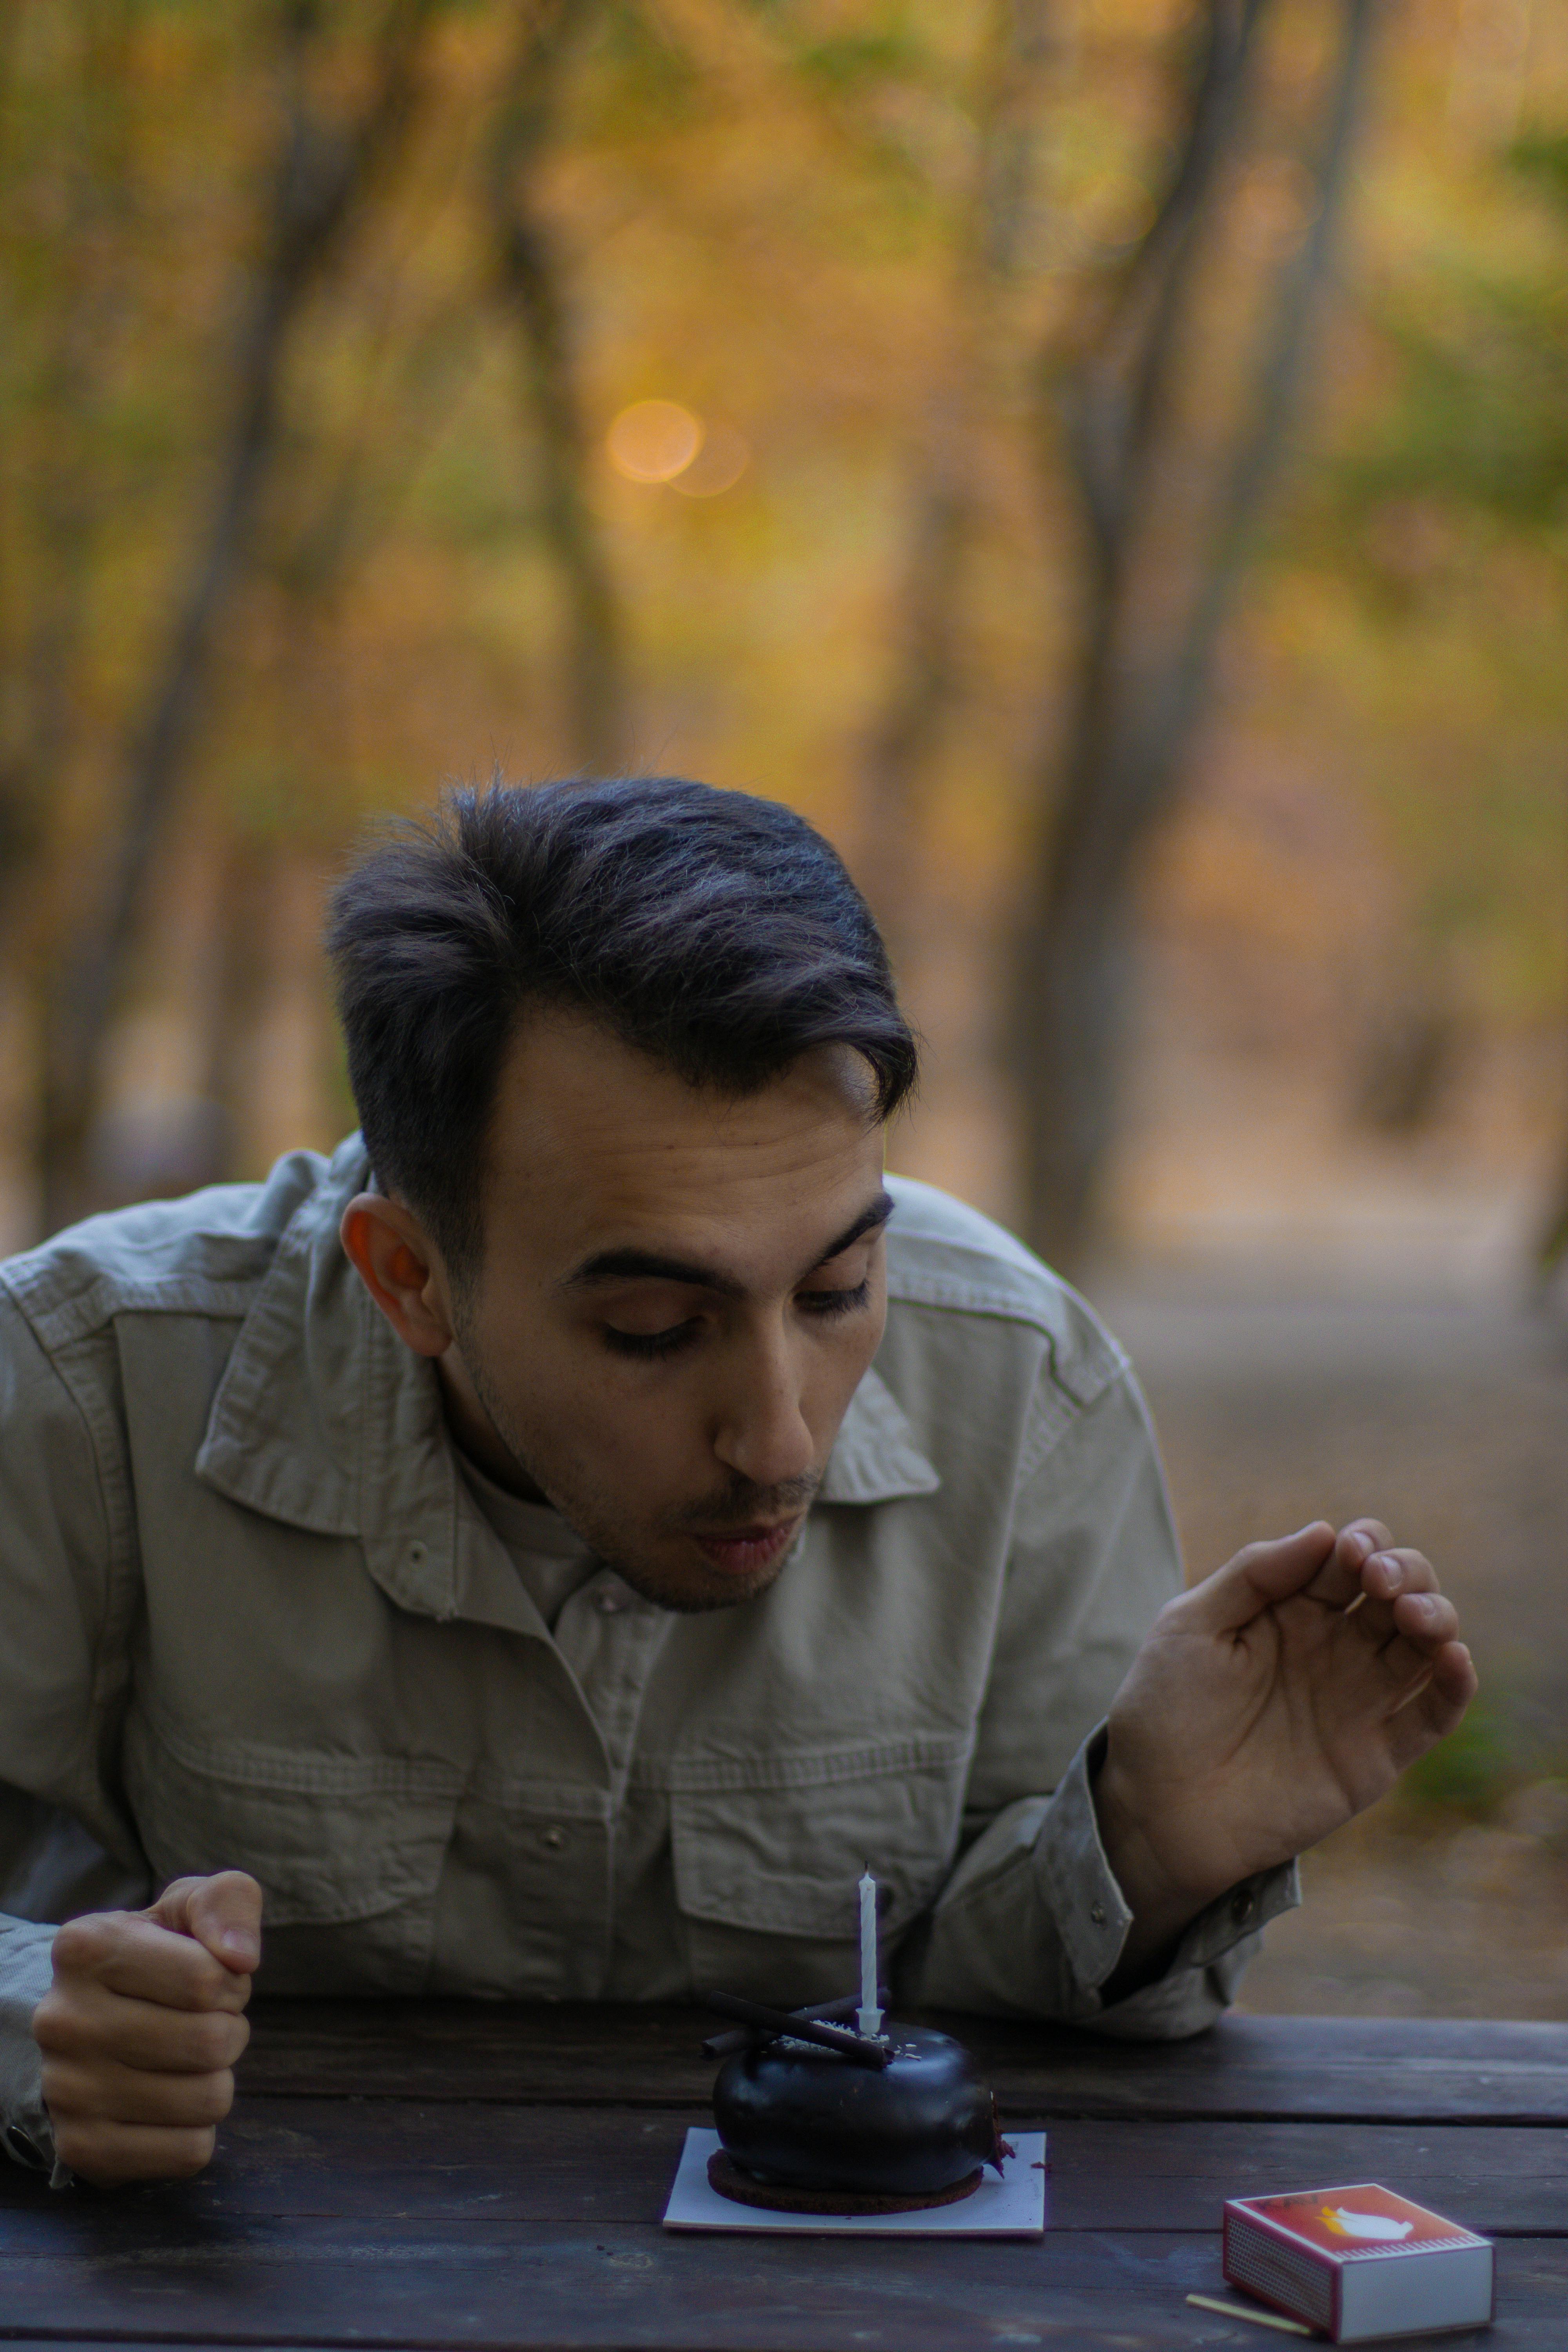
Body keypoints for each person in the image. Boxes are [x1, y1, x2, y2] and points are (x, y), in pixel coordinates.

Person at [0, 778, 1475, 2192]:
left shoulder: (1029, 1386)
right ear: (411, 1277)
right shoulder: (81, 1394)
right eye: (655, 1330)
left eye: (838, 1287)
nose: (780, 1438)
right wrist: (33, 2027)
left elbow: (984, 1995)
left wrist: (1146, 1848)